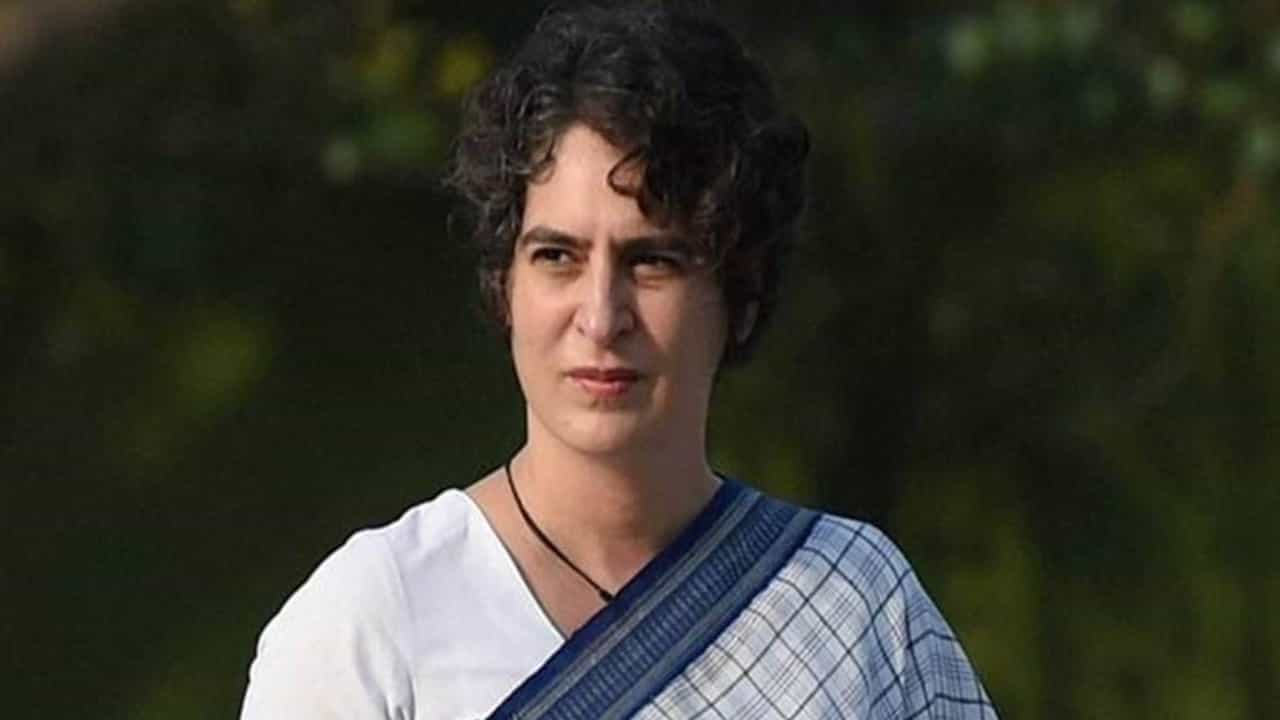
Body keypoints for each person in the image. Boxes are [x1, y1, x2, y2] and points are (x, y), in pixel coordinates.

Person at [240, 2, 999, 718]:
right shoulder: (378, 621)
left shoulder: (850, 606)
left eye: (652, 261)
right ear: (507, 287)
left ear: (740, 292)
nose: (601, 317)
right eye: (557, 257)